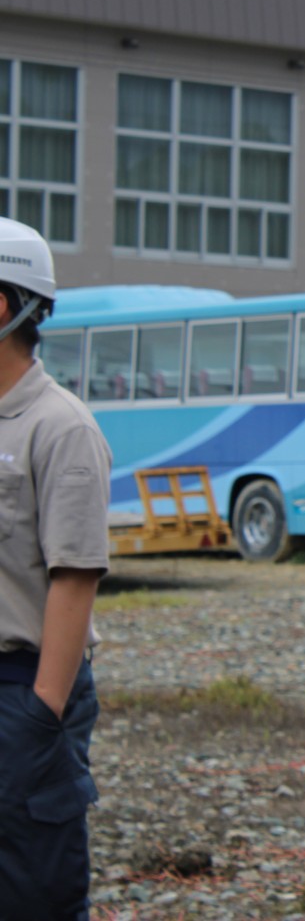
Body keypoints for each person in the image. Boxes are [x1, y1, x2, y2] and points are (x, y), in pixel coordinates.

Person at [0, 217, 111, 921]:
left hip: (24, 684)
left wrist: (41, 711)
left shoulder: (60, 426)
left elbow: (75, 577)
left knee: (33, 886)